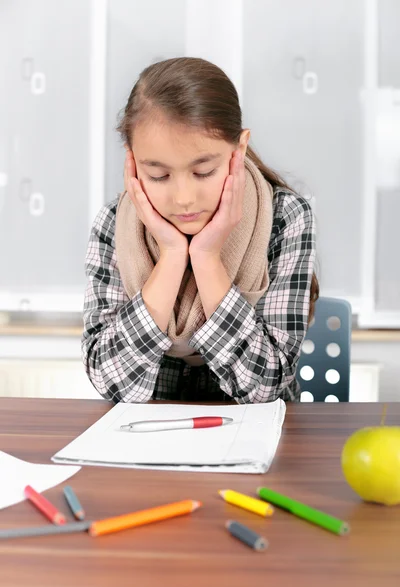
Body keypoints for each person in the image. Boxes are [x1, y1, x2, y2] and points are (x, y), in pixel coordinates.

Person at [82, 57, 319, 404]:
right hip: (147, 442)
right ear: (132, 161)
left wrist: (206, 257)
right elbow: (112, 381)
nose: (183, 198)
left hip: (258, 442)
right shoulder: (113, 223)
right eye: (158, 175)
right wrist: (172, 255)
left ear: (238, 149)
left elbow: (264, 388)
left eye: (204, 171)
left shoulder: (286, 216)